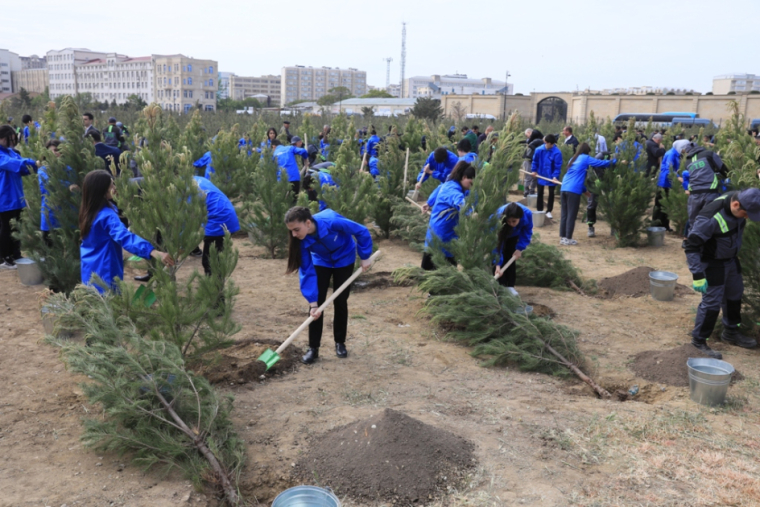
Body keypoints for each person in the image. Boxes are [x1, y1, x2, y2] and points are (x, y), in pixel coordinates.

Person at [284, 206, 373, 364]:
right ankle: (313, 348)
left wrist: (365, 256)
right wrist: (312, 303)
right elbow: (306, 271)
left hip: (344, 257)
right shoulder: (301, 241)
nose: (294, 234)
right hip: (321, 260)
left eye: (297, 229)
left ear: (308, 223)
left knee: (340, 301)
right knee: (317, 304)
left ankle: (340, 343)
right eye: (291, 231)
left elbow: (361, 230)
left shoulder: (332, 222)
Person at [685, 189, 760, 357]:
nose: (747, 217)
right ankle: (698, 341)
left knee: (735, 294)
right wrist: (697, 274)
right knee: (712, 304)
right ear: (735, 205)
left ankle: (731, 332)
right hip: (713, 263)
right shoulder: (709, 218)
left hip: (731, 259)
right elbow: (691, 246)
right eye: (746, 214)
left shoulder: (740, 197)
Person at [79, 170, 173, 293]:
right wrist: (152, 251)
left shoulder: (88, 212)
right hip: (105, 273)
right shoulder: (107, 216)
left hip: (89, 270)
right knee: (110, 307)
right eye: (111, 185)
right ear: (102, 190)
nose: (115, 187)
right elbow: (124, 237)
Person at [421, 162, 475, 270]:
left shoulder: (455, 185)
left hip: (450, 234)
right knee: (432, 272)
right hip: (440, 234)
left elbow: (439, 188)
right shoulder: (453, 190)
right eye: (471, 182)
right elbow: (460, 202)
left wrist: (429, 202)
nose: (472, 186)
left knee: (447, 274)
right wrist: (471, 213)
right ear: (464, 177)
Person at [560, 143, 614, 245]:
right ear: (587, 151)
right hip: (573, 190)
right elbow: (601, 163)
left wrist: (585, 191)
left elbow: (575, 176)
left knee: (564, 214)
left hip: (564, 187)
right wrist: (615, 161)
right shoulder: (585, 158)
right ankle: (568, 238)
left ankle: (563, 238)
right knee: (571, 215)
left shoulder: (573, 158)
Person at [0, 125, 37, 269]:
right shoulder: (2, 155)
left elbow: (24, 165)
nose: (11, 142)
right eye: (9, 139)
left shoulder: (11, 152)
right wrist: (33, 163)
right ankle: (5, 257)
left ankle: (16, 253)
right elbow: (14, 164)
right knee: (6, 229)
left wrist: (34, 164)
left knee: (17, 228)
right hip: (4, 198)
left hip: (17, 197)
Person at [193, 176, 240, 277]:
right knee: (214, 258)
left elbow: (186, 220)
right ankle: (215, 287)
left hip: (218, 218)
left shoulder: (184, 190)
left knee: (211, 261)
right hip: (225, 212)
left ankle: (215, 290)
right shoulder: (197, 179)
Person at [493, 202, 533, 297]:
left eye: (514, 221)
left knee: (510, 255)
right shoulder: (498, 217)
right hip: (500, 232)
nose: (511, 224)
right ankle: (500, 286)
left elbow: (527, 232)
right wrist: (497, 264)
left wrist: (519, 248)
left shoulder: (527, 214)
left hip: (514, 235)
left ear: (520, 217)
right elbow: (496, 245)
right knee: (499, 259)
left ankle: (510, 285)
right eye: (509, 221)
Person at [685, 142, 728, 226]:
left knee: (693, 222)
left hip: (694, 195)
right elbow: (723, 169)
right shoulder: (709, 154)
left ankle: (692, 238)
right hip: (710, 192)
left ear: (688, 152)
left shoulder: (687, 162)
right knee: (709, 220)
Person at [654, 139, 690, 231]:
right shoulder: (671, 154)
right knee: (660, 204)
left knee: (667, 205)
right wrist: (677, 177)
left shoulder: (677, 154)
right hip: (664, 182)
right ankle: (656, 225)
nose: (685, 151)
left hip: (670, 182)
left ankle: (665, 226)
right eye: (685, 148)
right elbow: (668, 169)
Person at [531, 134, 562, 219]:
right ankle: (540, 209)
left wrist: (555, 176)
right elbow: (535, 161)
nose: (552, 146)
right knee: (540, 192)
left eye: (553, 144)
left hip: (552, 176)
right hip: (541, 174)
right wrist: (534, 171)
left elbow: (557, 166)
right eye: (550, 144)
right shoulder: (539, 150)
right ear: (546, 142)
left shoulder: (557, 152)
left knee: (551, 193)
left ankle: (549, 211)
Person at [522, 128, 544, 197]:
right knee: (530, 176)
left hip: (533, 160)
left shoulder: (537, 140)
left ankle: (530, 191)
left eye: (527, 135)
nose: (527, 137)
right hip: (529, 159)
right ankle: (528, 191)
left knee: (533, 176)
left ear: (529, 133)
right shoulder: (533, 141)